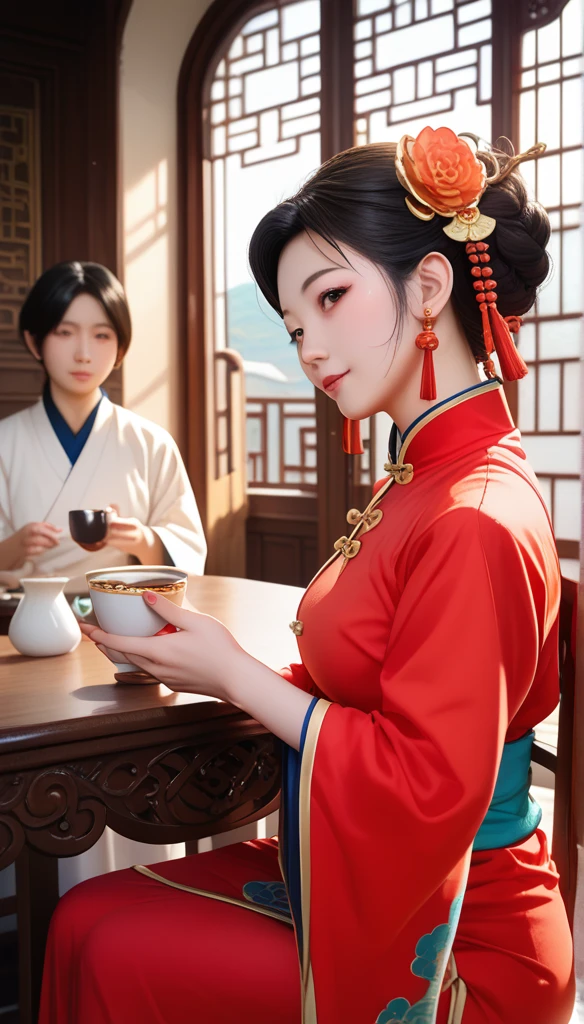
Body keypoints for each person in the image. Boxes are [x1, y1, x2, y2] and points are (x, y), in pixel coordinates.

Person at [39, 129, 574, 1024]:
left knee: (99, 930)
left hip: (459, 933)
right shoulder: (420, 479)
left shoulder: (473, 512)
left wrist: (233, 674)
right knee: (89, 917)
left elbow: (430, 787)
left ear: (431, 286)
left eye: (330, 298)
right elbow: (377, 694)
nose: (310, 349)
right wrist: (205, 657)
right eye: (294, 327)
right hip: (388, 876)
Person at [0, 261, 206, 592]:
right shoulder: (4, 442)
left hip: (128, 621)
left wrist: (141, 539)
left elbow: (189, 555)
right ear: (35, 341)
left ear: (120, 347)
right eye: (64, 333)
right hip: (22, 622)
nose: (83, 354)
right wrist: (14, 547)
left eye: (101, 335)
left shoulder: (151, 442)